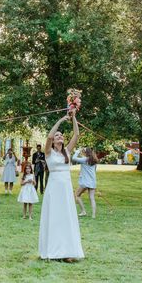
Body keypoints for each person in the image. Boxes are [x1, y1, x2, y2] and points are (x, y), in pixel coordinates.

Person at [38, 110, 84, 262]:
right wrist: (61, 119)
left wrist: (74, 116)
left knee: (66, 219)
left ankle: (68, 252)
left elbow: (76, 135)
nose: (59, 136)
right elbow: (49, 136)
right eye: (58, 135)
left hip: (65, 188)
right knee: (54, 218)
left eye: (61, 135)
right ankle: (53, 251)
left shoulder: (67, 152)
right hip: (54, 188)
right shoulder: (48, 152)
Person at [72, 147, 98, 219]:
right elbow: (93, 171)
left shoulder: (84, 159)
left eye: (84, 151)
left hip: (85, 182)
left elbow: (74, 158)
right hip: (92, 182)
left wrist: (77, 151)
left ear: (86, 153)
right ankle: (93, 215)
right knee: (92, 198)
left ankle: (83, 211)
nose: (83, 152)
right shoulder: (94, 160)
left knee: (77, 195)